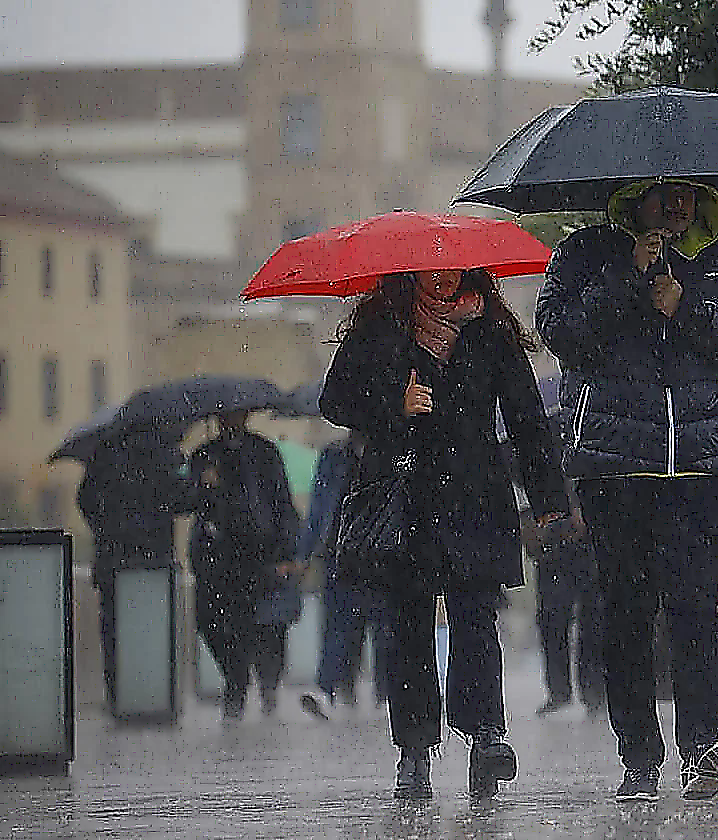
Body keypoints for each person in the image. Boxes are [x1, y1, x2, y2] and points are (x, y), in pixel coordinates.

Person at [536, 179, 718, 801]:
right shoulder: (587, 253)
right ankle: (639, 758)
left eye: (687, 195)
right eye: (661, 195)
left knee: (696, 610)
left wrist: (689, 307)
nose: (675, 206)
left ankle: (703, 747)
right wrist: (629, 279)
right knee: (624, 617)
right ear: (633, 199)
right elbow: (562, 335)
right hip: (617, 470)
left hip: (700, 469)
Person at [319, 268, 568, 800]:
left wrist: (547, 497)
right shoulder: (382, 328)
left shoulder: (489, 330)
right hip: (406, 494)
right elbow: (335, 401)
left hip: (475, 496)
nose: (440, 278)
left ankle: (485, 736)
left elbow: (525, 415)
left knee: (476, 618)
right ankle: (414, 749)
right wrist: (395, 404)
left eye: (449, 268)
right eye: (429, 269)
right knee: (407, 626)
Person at [188, 410, 300, 722]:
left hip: (260, 555)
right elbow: (191, 503)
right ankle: (237, 681)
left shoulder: (264, 453)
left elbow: (281, 502)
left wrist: (287, 550)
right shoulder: (205, 456)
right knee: (218, 625)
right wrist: (205, 486)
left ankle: (266, 685)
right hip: (219, 558)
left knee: (267, 626)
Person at [76, 423, 193, 717]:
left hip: (114, 559)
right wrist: (201, 482)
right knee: (154, 628)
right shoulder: (164, 453)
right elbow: (182, 502)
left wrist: (106, 528)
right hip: (154, 559)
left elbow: (85, 501)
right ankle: (155, 695)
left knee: (114, 630)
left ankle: (119, 697)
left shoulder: (103, 453)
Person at [299, 432, 394, 719]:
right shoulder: (335, 456)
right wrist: (304, 552)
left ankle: (386, 693)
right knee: (338, 626)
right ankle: (327, 688)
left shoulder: (391, 449)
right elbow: (319, 505)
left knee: (385, 629)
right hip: (340, 554)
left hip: (381, 554)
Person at [532, 492, 604, 719]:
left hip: (588, 533)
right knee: (554, 619)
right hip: (554, 533)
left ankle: (592, 692)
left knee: (593, 620)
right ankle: (563, 691)